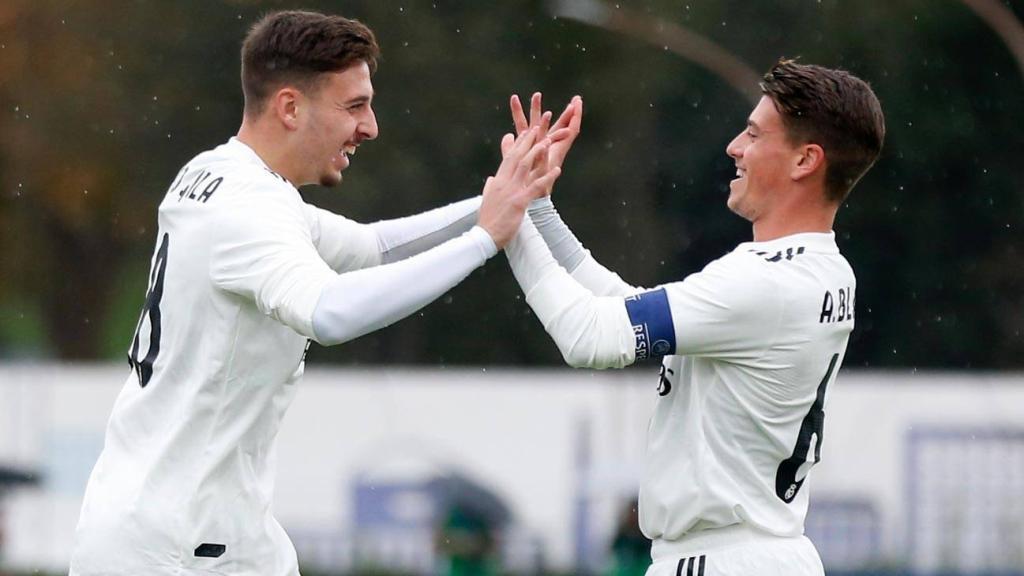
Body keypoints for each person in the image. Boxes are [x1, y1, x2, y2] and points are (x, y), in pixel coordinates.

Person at [69, 10, 563, 576]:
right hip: (177, 547)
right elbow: (329, 312)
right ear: (290, 107)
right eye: (354, 106)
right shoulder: (247, 208)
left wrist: (507, 194)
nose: (371, 126)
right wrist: (483, 239)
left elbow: (373, 247)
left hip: (193, 530)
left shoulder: (218, 175)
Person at [504, 60, 885, 575]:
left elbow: (590, 336)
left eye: (753, 133)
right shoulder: (819, 268)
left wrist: (509, 221)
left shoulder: (764, 282)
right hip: (760, 554)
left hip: (722, 560)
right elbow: (627, 307)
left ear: (805, 161)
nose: (735, 146)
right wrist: (537, 210)